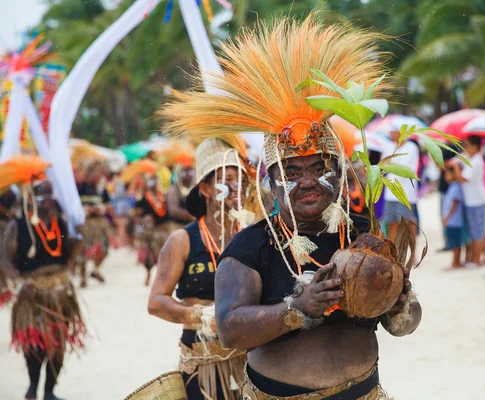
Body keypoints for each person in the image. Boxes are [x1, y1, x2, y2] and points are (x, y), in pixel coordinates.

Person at [162, 16, 422, 398]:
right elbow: (230, 327)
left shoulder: (366, 235)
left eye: (319, 167)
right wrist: (298, 309)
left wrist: (398, 302)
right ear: (270, 182)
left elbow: (407, 325)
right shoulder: (251, 246)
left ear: (337, 170)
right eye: (292, 170)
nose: (307, 181)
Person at [148, 137, 252, 399]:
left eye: (238, 178)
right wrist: (200, 316)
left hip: (249, 354)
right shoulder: (182, 240)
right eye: (226, 178)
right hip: (202, 356)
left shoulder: (252, 235)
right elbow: (156, 302)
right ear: (205, 189)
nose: (235, 185)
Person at [0, 156, 86, 400]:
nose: (48, 198)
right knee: (36, 343)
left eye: (50, 192)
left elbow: (68, 253)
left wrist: (78, 239)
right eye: (42, 193)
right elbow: (4, 259)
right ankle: (32, 388)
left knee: (59, 341)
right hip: (33, 293)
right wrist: (20, 283)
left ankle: (49, 391)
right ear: (30, 196)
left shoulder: (60, 221)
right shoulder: (18, 225)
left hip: (59, 291)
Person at [72, 143, 112, 287]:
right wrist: (86, 209)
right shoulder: (79, 186)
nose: (100, 175)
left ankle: (95, 269)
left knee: (105, 249)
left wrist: (101, 209)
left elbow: (108, 204)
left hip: (99, 222)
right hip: (84, 222)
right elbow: (72, 204)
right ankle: (83, 276)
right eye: (97, 171)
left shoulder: (102, 187)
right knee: (83, 250)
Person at [381, 132, 420, 242]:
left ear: (399, 133)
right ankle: (395, 253)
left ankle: (412, 254)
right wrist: (391, 164)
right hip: (390, 193)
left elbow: (404, 169)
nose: (391, 135)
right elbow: (383, 164)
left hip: (405, 193)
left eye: (393, 132)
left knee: (407, 223)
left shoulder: (411, 147)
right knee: (391, 223)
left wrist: (390, 163)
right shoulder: (389, 146)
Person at [458, 136, 485, 267]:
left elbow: (463, 178)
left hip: (476, 200)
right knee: (477, 230)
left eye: (468, 145)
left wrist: (455, 166)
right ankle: (483, 258)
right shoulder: (472, 159)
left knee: (477, 232)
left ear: (475, 147)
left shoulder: (476, 161)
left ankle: (476, 260)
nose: (466, 148)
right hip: (473, 199)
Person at [442, 160, 465, 269]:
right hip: (452, 221)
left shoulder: (456, 187)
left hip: (454, 221)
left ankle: (456, 263)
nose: (446, 176)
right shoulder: (452, 187)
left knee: (455, 243)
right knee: (454, 242)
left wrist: (447, 216)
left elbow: (455, 203)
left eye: (448, 173)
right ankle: (456, 262)